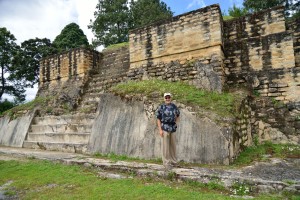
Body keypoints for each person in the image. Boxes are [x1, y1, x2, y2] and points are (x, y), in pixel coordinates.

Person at [155, 92, 180, 169]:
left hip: (172, 128)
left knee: (173, 146)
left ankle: (174, 162)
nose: (167, 99)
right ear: (164, 98)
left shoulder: (174, 107)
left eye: (169, 97)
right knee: (165, 146)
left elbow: (178, 115)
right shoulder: (161, 107)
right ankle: (166, 163)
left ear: (170, 98)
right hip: (164, 127)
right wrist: (160, 130)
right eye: (166, 98)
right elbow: (158, 118)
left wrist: (176, 123)